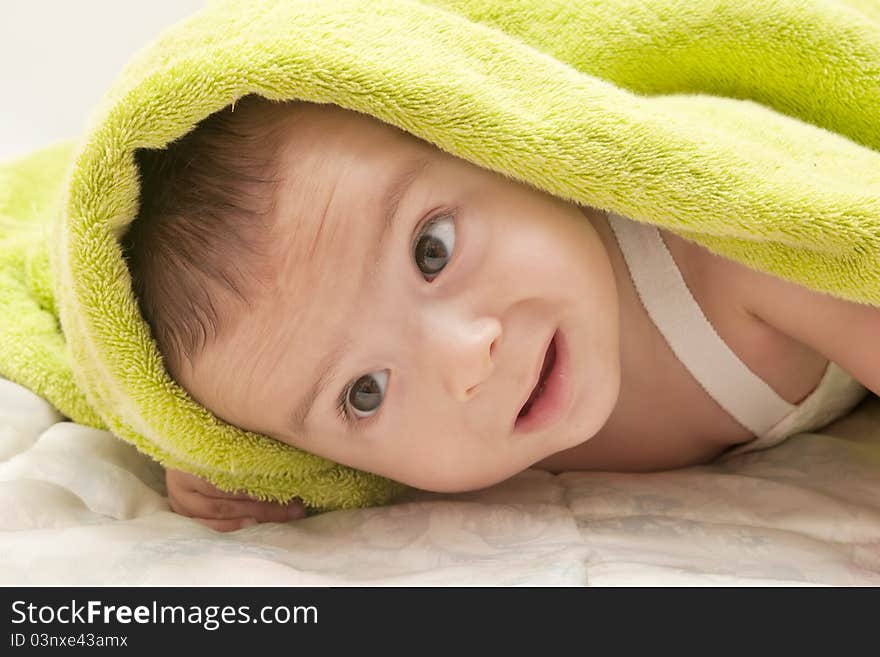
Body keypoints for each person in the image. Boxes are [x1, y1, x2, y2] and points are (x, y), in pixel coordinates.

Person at [123, 95, 876, 532]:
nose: (463, 362)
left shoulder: (721, 246)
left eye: (432, 249)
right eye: (365, 392)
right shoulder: (441, 453)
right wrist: (225, 470)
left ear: (487, 140)